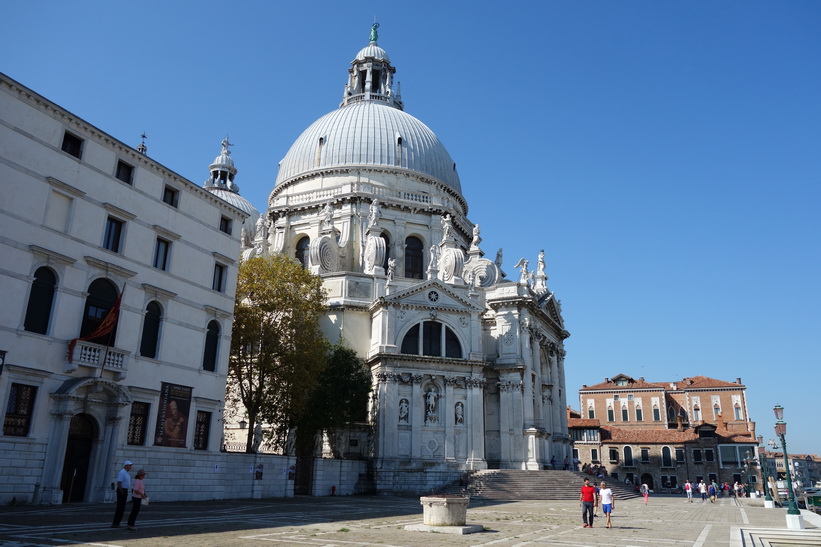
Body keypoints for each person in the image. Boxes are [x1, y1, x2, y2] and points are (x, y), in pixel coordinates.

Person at [111, 460, 133, 528]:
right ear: (126, 465)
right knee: (120, 507)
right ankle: (116, 523)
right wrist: (122, 491)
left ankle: (117, 522)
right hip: (122, 490)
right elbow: (119, 483)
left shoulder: (126, 473)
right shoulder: (122, 472)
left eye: (130, 465)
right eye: (129, 465)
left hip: (124, 490)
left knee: (122, 507)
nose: (130, 467)